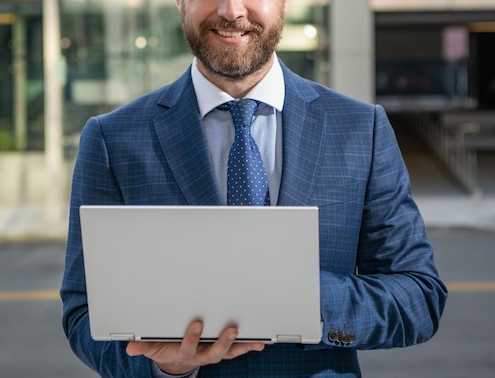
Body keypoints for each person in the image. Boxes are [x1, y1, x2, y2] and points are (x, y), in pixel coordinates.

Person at [61, 0, 448, 376]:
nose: (232, 11)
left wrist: (302, 297)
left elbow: (418, 298)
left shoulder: (362, 129)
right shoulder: (113, 139)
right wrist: (163, 365)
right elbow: (83, 312)